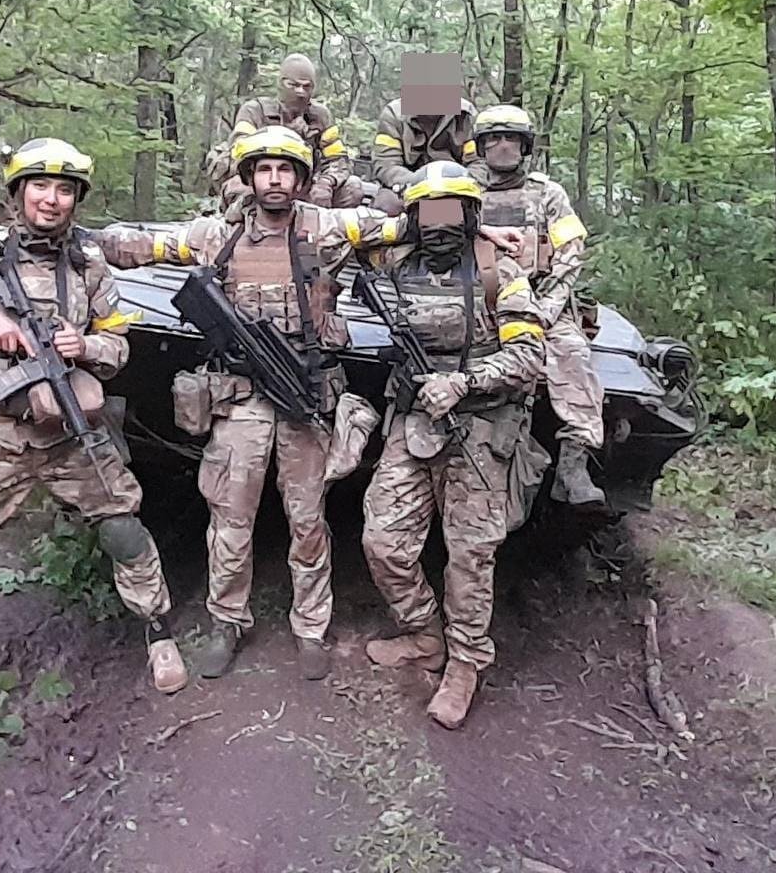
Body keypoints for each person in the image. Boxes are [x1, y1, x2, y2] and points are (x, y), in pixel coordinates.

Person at [87, 125, 406, 681]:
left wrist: (487, 233)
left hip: (305, 395)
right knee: (230, 518)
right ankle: (227, 620)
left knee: (308, 520)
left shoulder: (328, 228)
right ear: (249, 178)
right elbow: (142, 246)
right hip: (241, 403)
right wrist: (83, 237)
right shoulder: (218, 235)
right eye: (264, 170)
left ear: (301, 179)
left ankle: (311, 627)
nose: (275, 179)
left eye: (285, 170)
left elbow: (403, 226)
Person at [0, 138, 188, 716]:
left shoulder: (88, 263)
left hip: (72, 433)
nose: (51, 200)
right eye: (40, 187)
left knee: (123, 530)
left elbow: (119, 344)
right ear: (18, 193)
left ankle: (159, 635)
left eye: (64, 190)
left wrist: (89, 346)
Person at [361, 161, 546, 729]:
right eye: (428, 213)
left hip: (480, 425)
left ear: (470, 216)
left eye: (451, 214)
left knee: (469, 554)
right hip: (415, 419)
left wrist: (465, 382)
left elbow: (529, 355)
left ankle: (465, 662)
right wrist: (395, 225)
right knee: (383, 540)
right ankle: (424, 634)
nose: (439, 226)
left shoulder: (499, 272)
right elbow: (339, 240)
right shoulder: (394, 262)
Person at [475, 104, 606, 510]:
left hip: (543, 301)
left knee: (574, 356)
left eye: (511, 138)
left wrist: (546, 309)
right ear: (481, 146)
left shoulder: (548, 193)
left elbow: (570, 254)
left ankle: (574, 464)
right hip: (479, 303)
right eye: (493, 138)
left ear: (525, 145)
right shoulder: (464, 193)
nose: (502, 146)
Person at [211, 53, 363, 209]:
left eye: (306, 86)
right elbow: (238, 153)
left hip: (303, 186)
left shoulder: (320, 116)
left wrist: (326, 183)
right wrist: (288, 138)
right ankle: (248, 223)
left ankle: (318, 222)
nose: (300, 92)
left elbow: (338, 160)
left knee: (352, 188)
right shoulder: (255, 111)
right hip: (262, 184)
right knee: (236, 188)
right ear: (281, 84)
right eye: (293, 85)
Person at [371, 96, 484, 195]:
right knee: (386, 202)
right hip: (407, 189)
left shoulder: (466, 115)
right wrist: (420, 184)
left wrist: (458, 185)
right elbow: (387, 163)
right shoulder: (394, 114)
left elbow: (479, 162)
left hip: (459, 189)